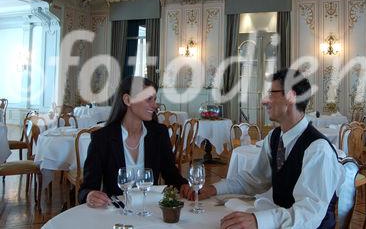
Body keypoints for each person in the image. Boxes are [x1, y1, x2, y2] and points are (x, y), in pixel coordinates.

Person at [192, 69, 344, 229]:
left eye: (271, 93)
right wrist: (213, 189)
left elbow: (309, 213)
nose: (265, 101)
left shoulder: (318, 149)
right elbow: (255, 180)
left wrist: (258, 221)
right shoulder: (274, 137)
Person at [78, 76, 189, 206]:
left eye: (154, 99)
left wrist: (183, 185)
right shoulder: (102, 138)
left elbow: (171, 173)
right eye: (148, 99)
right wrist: (89, 195)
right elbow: (86, 188)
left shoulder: (159, 133)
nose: (155, 105)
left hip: (150, 211)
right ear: (127, 100)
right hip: (116, 213)